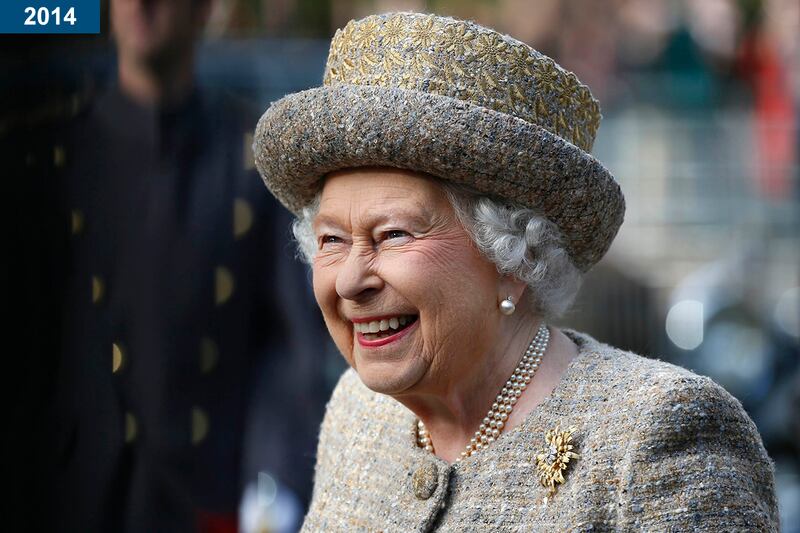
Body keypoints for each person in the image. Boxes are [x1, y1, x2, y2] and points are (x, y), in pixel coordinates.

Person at [252, 12, 779, 531]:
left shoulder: (657, 439)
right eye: (331, 240)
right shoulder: (357, 413)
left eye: (392, 235)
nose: (348, 281)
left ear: (513, 259)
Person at [50, 0, 330, 530]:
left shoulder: (249, 162)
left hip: (211, 499)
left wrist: (271, 486)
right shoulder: (54, 157)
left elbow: (290, 346)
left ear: (203, 10)